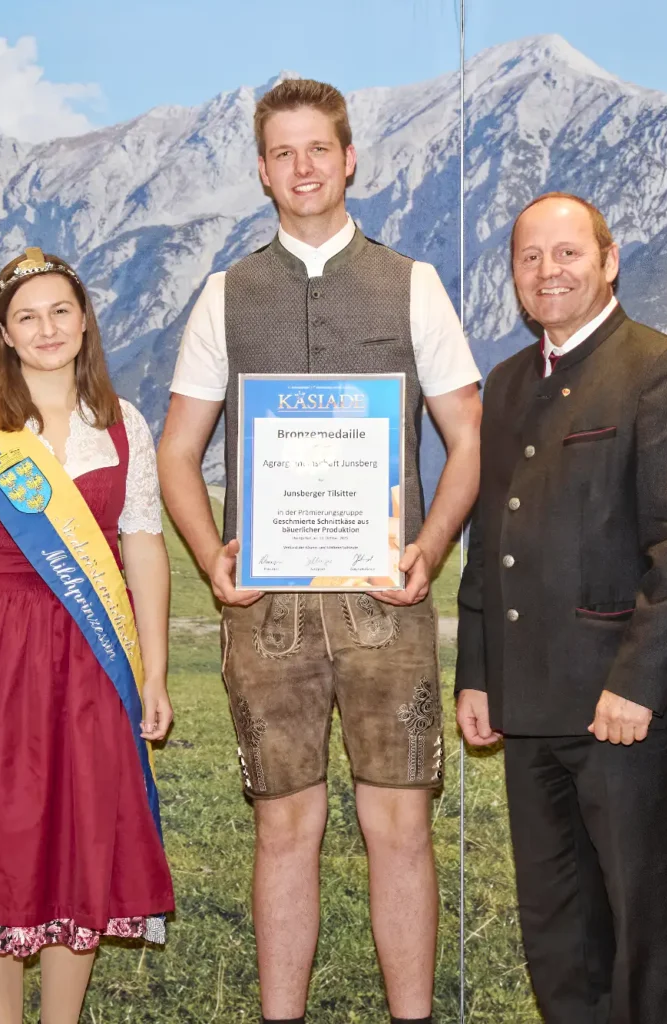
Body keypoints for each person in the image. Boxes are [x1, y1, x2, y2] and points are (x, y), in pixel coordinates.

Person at [157, 79, 481, 1024]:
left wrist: (428, 546)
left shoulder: (413, 282)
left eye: (318, 150)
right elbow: (179, 454)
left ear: (350, 160)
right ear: (263, 171)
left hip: (389, 602)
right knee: (284, 827)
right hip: (270, 614)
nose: (303, 169)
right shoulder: (225, 294)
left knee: (400, 828)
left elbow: (469, 437)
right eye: (283, 153)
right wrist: (211, 555)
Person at [455, 192, 667, 1024]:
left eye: (568, 253)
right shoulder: (502, 385)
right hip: (528, 705)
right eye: (530, 258)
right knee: (557, 931)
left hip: (620, 709)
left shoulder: (660, 368)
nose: (549, 272)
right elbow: (486, 543)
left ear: (609, 261)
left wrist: (638, 684)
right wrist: (475, 674)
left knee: (641, 933)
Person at [0, 248, 175, 1024]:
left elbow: (144, 546)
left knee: (80, 835)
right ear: (5, 332)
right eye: (28, 316)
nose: (47, 328)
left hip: (95, 657)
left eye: (60, 311)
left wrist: (153, 674)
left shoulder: (124, 424)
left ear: (84, 320)